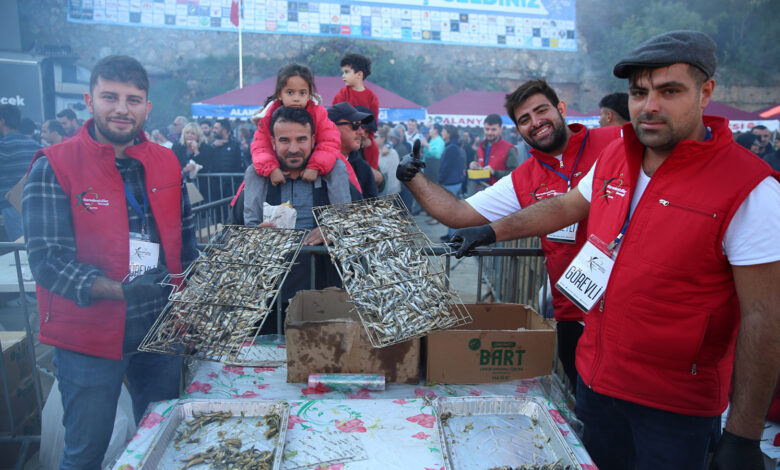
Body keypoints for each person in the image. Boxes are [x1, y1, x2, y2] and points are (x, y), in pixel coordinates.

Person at [449, 30, 780, 470]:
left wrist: (743, 434)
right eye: (639, 92)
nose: (651, 105)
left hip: (674, 407)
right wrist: (491, 232)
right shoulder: (616, 157)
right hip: (596, 382)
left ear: (706, 93)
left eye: (670, 91)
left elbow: (766, 317)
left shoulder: (751, 188)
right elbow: (565, 207)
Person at [22, 55, 198, 469]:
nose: (122, 108)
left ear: (147, 107)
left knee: (164, 438)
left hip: (160, 330)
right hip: (88, 336)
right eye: (110, 97)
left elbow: (186, 242)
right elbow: (47, 260)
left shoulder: (165, 161)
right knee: (86, 451)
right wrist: (119, 289)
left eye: (133, 99)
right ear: (89, 100)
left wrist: (193, 298)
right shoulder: (54, 165)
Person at [396, 79, 621, 391]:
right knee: (589, 409)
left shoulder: (615, 140)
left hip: (626, 309)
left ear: (561, 109)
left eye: (541, 111)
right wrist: (413, 178)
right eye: (524, 120)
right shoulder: (524, 177)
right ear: (518, 129)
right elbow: (458, 213)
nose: (536, 123)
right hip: (573, 313)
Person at [242, 106, 351, 333]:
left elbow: (348, 220)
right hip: (271, 290)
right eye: (284, 140)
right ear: (272, 142)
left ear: (313, 139)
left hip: (321, 286)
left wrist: (331, 229)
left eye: (301, 139)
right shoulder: (256, 174)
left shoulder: (333, 169)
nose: (293, 149)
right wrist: (257, 233)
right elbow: (246, 229)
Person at [250, 63, 362, 196]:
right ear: (279, 94)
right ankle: (251, 217)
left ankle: (343, 211)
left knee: (338, 168)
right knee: (252, 173)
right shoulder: (268, 117)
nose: (296, 98)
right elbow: (260, 147)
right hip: (280, 162)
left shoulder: (318, 113)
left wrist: (315, 166)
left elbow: (329, 142)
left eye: (302, 93)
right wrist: (271, 168)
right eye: (290, 92)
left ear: (309, 94)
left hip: (318, 161)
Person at [0, 104, 41, 241]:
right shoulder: (36, 145)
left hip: (12, 207)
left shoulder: (3, 146)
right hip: (37, 205)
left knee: (19, 251)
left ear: (2, 121)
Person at [333, 52, 380, 170]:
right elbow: (335, 119)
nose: (343, 75)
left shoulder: (371, 96)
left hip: (365, 136)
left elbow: (374, 119)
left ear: (359, 74)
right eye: (343, 72)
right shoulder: (342, 94)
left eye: (346, 72)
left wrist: (369, 137)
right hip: (345, 135)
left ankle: (372, 176)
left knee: (373, 150)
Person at [329, 102, 378, 199]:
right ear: (332, 126)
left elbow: (373, 207)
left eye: (361, 125)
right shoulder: (316, 165)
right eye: (355, 125)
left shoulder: (363, 167)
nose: (361, 132)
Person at [470, 113, 519, 187]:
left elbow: (514, 175)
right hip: (480, 191)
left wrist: (494, 172)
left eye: (493, 129)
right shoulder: (480, 147)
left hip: (500, 193)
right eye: (487, 129)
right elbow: (477, 163)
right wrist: (474, 165)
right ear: (483, 129)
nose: (490, 132)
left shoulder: (509, 148)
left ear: (500, 130)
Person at [438, 124, 466, 240]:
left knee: (451, 212)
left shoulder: (452, 147)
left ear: (449, 133)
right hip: (453, 181)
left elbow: (446, 167)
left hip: (451, 182)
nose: (442, 133)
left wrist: (440, 181)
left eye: (443, 131)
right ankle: (451, 234)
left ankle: (453, 237)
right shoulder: (452, 146)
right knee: (450, 211)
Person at [376, 126, 401, 197]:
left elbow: (393, 175)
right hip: (376, 192)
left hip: (388, 192)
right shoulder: (371, 151)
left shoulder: (392, 152)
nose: (372, 138)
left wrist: (392, 193)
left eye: (375, 137)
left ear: (383, 138)